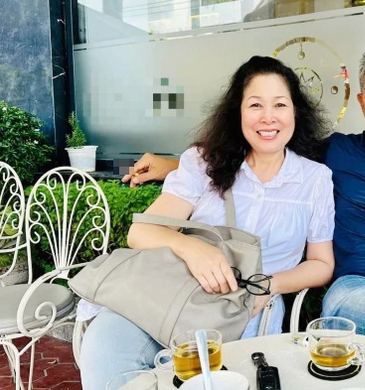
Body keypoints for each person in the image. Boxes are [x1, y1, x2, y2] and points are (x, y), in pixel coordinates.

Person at [122, 46, 365, 389]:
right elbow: (260, 147)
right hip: (358, 291)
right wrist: (170, 165)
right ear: (362, 102)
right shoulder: (339, 152)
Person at [81, 55, 336, 390]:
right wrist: (192, 248)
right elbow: (140, 232)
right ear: (237, 112)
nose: (268, 117)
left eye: (280, 104)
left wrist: (268, 284)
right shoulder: (203, 163)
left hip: (244, 311)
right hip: (168, 292)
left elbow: (321, 264)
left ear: (295, 112)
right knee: (106, 352)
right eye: (255, 105)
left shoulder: (315, 179)